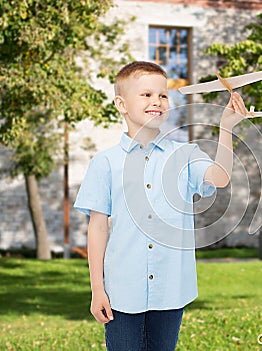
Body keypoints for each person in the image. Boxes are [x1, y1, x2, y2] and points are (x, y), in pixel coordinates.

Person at [74, 61, 251, 351]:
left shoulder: (184, 154)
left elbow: (220, 178)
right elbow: (97, 228)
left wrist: (226, 128)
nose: (157, 101)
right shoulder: (105, 162)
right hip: (121, 292)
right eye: (146, 95)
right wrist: (97, 289)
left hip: (170, 292)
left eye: (163, 95)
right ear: (122, 104)